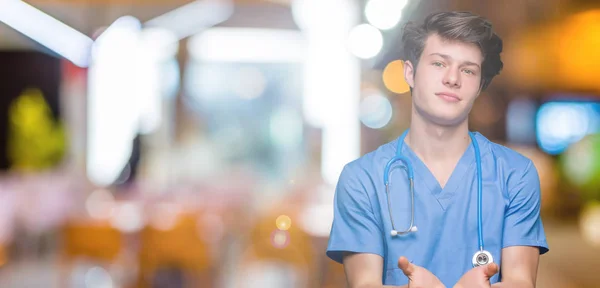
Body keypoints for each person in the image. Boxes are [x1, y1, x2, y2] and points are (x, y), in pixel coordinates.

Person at [326, 11, 549, 288]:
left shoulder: (515, 174)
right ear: (410, 72)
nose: (452, 78)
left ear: (479, 86)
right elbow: (364, 284)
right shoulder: (362, 179)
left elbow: (521, 281)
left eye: (468, 70)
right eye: (439, 63)